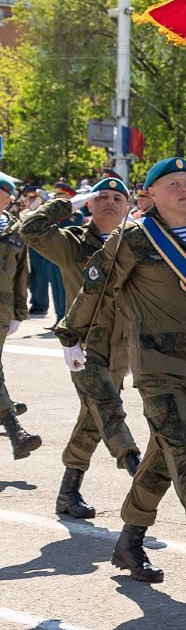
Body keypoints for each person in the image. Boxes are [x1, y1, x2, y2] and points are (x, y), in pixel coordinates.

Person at [57, 157, 186, 584]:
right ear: (151, 194)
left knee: (161, 457)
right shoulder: (136, 237)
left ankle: (129, 542)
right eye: (174, 184)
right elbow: (97, 286)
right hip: (156, 367)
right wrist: (71, 334)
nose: (185, 189)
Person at [20, 176, 141, 518]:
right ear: (89, 203)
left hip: (122, 349)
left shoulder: (135, 243)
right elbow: (31, 229)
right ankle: (132, 459)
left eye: (117, 198)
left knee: (92, 418)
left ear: (127, 206)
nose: (109, 202)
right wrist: (66, 203)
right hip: (83, 346)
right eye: (101, 196)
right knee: (105, 406)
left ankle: (68, 493)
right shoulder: (72, 244)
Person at [0, 175, 42, 461]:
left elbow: (21, 275)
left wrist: (19, 311)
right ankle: (16, 431)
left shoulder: (15, 230)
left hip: (2, 311)